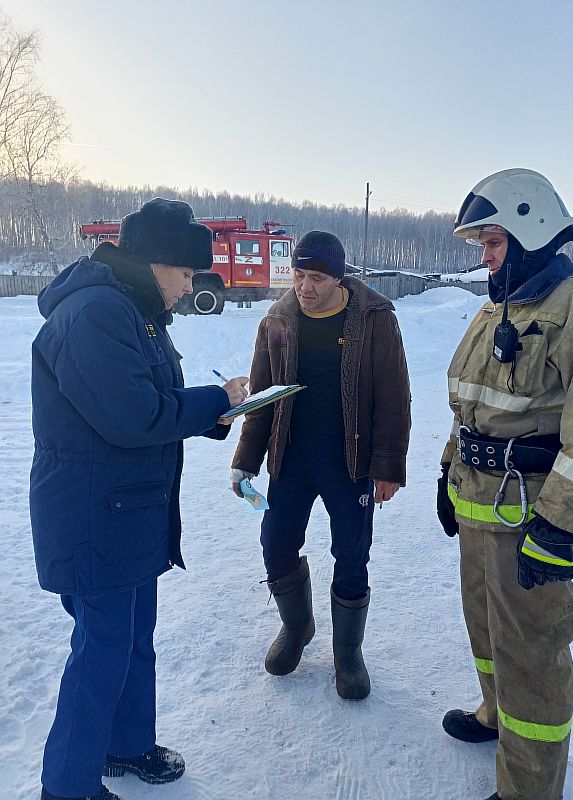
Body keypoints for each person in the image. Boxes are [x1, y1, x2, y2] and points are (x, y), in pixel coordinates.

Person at [30, 197, 248, 800]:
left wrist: (214, 409)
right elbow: (132, 415)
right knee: (100, 651)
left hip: (128, 510)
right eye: (185, 275)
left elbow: (148, 402)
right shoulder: (97, 313)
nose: (188, 288)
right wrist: (214, 402)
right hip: (93, 513)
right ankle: (68, 786)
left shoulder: (135, 312)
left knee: (131, 638)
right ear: (156, 262)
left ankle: (126, 745)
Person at [437, 169, 573, 800]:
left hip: (533, 513)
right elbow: (471, 404)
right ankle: (493, 713)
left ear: (532, 233)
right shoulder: (496, 308)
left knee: (531, 648)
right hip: (479, 501)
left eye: (494, 243)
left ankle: (528, 787)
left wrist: (558, 526)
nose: (485, 258)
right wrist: (447, 471)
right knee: (485, 626)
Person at [230, 230, 411, 700]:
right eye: (299, 275)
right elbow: (263, 398)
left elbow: (394, 397)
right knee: (275, 545)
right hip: (290, 460)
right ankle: (298, 628)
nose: (305, 287)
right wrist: (246, 460)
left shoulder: (374, 319)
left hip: (349, 463)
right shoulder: (277, 321)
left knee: (351, 554)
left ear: (338, 277)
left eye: (317, 278)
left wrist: (387, 466)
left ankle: (347, 652)